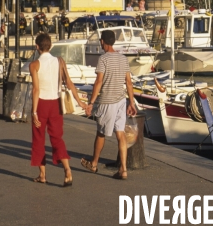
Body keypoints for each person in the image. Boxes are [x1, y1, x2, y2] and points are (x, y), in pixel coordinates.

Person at [30, 32, 87, 186]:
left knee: (38, 139)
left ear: (37, 47)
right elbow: (69, 83)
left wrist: (34, 112)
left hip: (41, 104)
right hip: (56, 104)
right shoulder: (60, 61)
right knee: (57, 138)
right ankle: (67, 169)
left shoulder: (34, 65)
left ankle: (42, 175)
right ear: (51, 46)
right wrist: (81, 103)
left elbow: (36, 90)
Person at [81, 30, 137, 180]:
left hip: (107, 101)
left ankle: (94, 164)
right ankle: (123, 169)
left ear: (102, 41)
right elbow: (129, 82)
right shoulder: (123, 58)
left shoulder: (103, 59)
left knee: (101, 133)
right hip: (121, 101)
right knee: (120, 134)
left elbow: (98, 82)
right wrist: (131, 102)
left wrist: (91, 102)